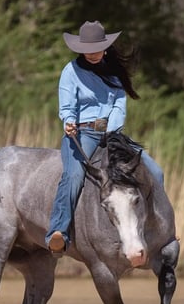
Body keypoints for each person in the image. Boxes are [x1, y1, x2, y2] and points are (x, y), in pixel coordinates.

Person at [45, 20, 164, 254]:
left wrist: (111, 132)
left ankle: (157, 228)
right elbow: (67, 104)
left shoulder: (114, 73)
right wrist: (68, 121)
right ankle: (58, 232)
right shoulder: (71, 71)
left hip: (112, 133)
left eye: (96, 49)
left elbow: (119, 105)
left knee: (156, 172)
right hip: (81, 132)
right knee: (74, 176)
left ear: (105, 47)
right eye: (87, 50)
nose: (91, 54)